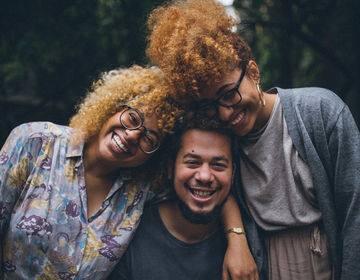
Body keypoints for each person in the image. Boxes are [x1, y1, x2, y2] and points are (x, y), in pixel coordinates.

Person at [146, 0, 360, 279]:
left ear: (254, 72)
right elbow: (219, 189)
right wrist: (237, 238)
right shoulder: (222, 141)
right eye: (209, 104)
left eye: (228, 94)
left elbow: (354, 208)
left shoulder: (319, 111)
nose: (224, 113)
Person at [0, 65, 179, 279]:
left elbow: (204, 182)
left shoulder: (142, 191)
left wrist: (232, 233)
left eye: (149, 139)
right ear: (113, 106)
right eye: (133, 118)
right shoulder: (35, 142)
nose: (132, 136)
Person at [108, 116, 237, 279]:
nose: (204, 176)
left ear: (233, 173)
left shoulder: (251, 242)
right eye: (192, 162)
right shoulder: (128, 233)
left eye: (218, 165)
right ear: (170, 168)